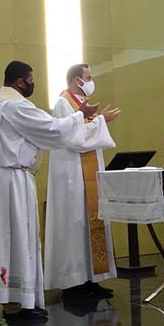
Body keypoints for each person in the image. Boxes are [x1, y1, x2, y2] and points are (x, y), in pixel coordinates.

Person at [0, 60, 114, 321]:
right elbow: (53, 129)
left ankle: (12, 301)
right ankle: (22, 303)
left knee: (6, 241)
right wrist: (80, 116)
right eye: (31, 80)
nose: (33, 84)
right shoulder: (16, 105)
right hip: (14, 180)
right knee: (21, 239)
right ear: (20, 82)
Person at [44, 64, 121, 301]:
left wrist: (98, 120)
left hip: (86, 174)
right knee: (74, 225)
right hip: (71, 176)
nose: (91, 81)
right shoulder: (63, 103)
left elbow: (85, 131)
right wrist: (102, 121)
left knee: (90, 225)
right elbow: (73, 139)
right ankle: (72, 282)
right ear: (77, 80)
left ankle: (91, 278)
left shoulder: (80, 104)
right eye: (88, 77)